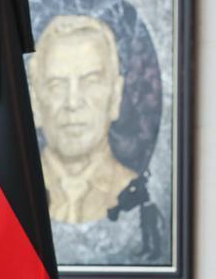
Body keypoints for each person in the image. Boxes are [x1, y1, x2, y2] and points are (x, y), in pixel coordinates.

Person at [28, 15, 137, 224]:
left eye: (90, 82)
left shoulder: (134, 190)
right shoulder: (9, 194)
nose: (73, 102)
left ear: (115, 97)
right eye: (56, 84)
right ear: (35, 102)